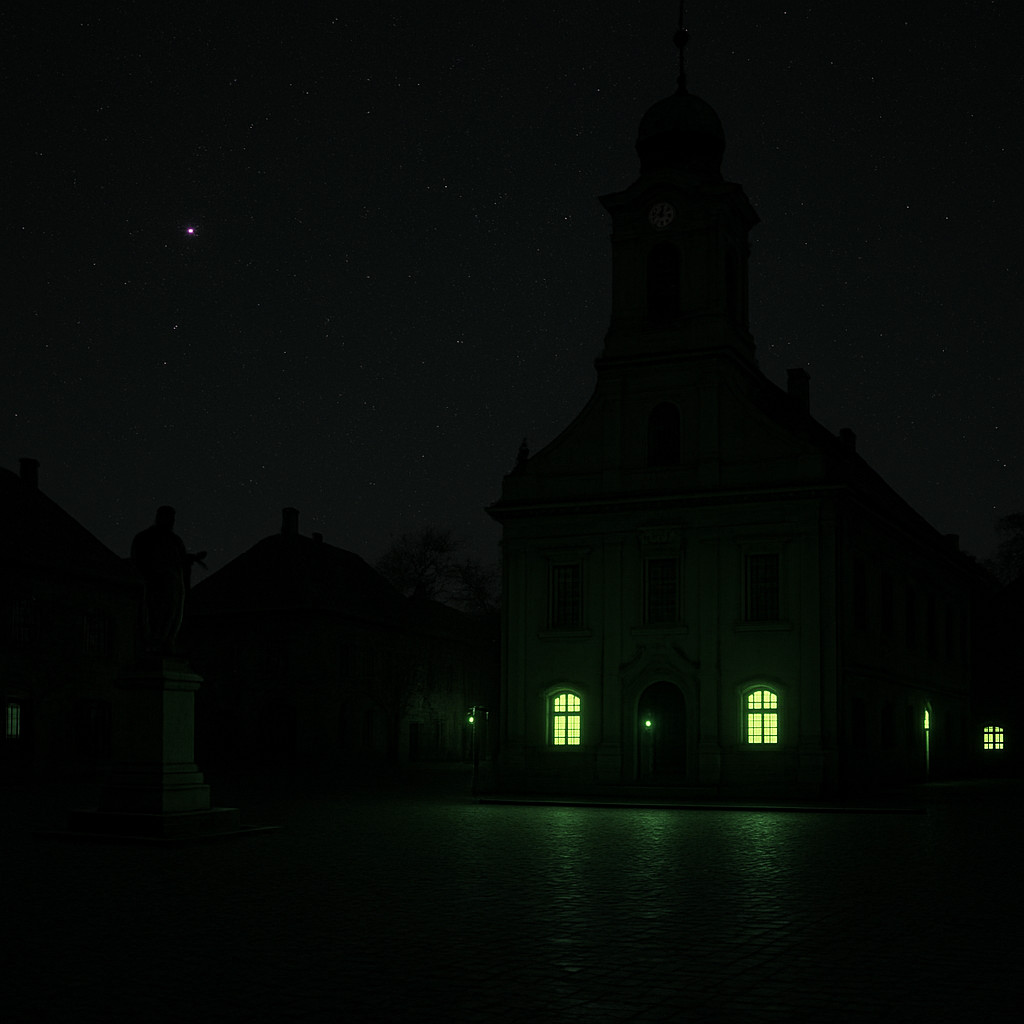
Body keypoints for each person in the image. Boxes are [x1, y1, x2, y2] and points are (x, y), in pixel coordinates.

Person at [131, 506, 206, 654]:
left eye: (172, 518)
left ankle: (167, 644)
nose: (171, 521)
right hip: (156, 586)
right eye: (167, 517)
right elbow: (139, 561)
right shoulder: (146, 538)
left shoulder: (175, 540)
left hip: (175, 588)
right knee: (155, 617)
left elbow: (180, 562)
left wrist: (190, 559)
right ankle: (154, 645)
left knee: (173, 617)